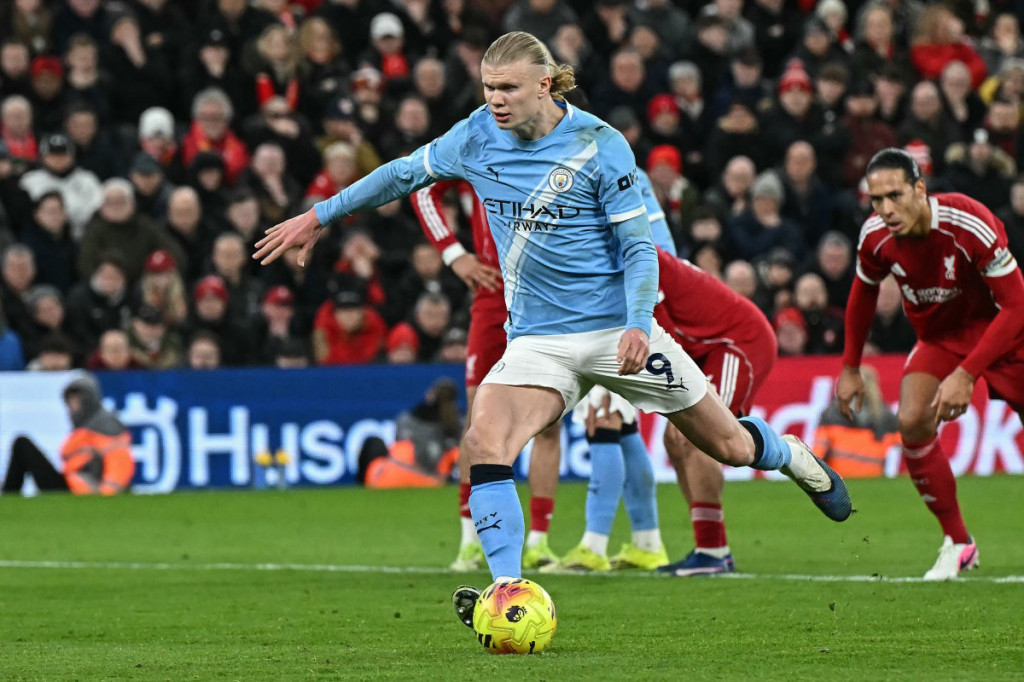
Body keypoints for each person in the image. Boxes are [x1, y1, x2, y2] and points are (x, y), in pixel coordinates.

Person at [253, 32, 850, 625]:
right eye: (489, 88)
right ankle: (507, 591)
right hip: (537, 341)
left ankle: (790, 454)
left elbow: (639, 248)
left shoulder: (599, 144)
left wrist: (640, 323)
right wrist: (319, 215)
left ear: (544, 84)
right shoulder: (475, 135)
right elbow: (403, 175)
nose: (496, 100)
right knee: (484, 440)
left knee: (730, 447)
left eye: (508, 87)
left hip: (616, 332)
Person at [837, 147, 1024, 581]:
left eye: (895, 196)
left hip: (1003, 333)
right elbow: (863, 293)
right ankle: (959, 542)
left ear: (920, 189)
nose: (885, 209)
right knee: (913, 420)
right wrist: (850, 367)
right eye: (876, 200)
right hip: (939, 339)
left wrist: (967, 373)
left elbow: (1016, 306)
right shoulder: (875, 237)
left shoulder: (967, 222)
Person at [2, 373, 134, 495]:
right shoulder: (85, 426)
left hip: (86, 491)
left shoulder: (105, 425)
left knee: (22, 445)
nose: (72, 406)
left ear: (88, 399)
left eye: (76, 400)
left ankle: (6, 500)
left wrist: (106, 494)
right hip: (75, 485)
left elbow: (119, 462)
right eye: (70, 401)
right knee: (22, 445)